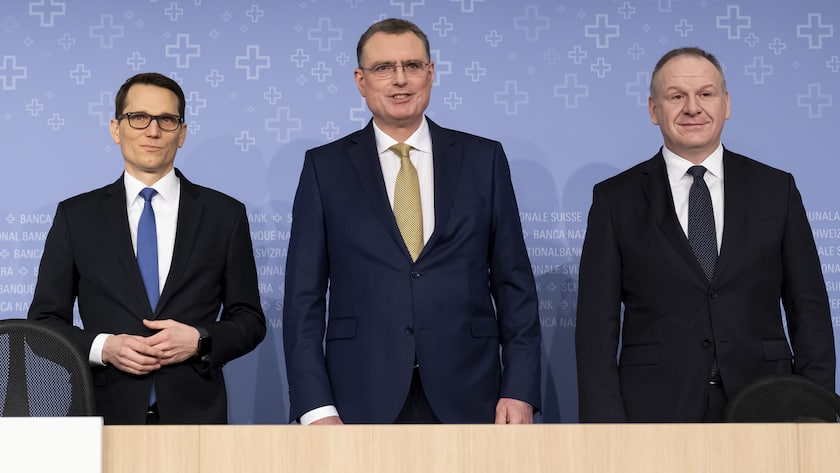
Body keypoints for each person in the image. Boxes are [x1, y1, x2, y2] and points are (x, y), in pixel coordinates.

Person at [283, 18, 541, 424]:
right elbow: (303, 298)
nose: (399, 80)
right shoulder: (325, 167)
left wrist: (520, 389)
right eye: (383, 68)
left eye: (412, 66)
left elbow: (515, 287)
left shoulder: (483, 159)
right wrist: (315, 407)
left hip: (473, 395)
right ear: (360, 80)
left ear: (431, 73)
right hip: (359, 395)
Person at [575, 47, 835, 422]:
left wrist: (816, 408)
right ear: (653, 109)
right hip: (653, 409)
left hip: (767, 403)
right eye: (676, 96)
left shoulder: (777, 189)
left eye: (706, 94)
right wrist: (605, 426)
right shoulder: (615, 198)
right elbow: (596, 326)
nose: (692, 108)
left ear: (726, 104)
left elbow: (808, 308)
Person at [28, 72, 266, 424]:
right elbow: (43, 324)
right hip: (104, 416)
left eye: (167, 120)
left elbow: (249, 320)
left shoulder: (225, 215)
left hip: (197, 422)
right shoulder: (75, 216)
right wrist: (104, 348)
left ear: (182, 133)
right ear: (115, 128)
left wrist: (200, 339)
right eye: (138, 118)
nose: (152, 131)